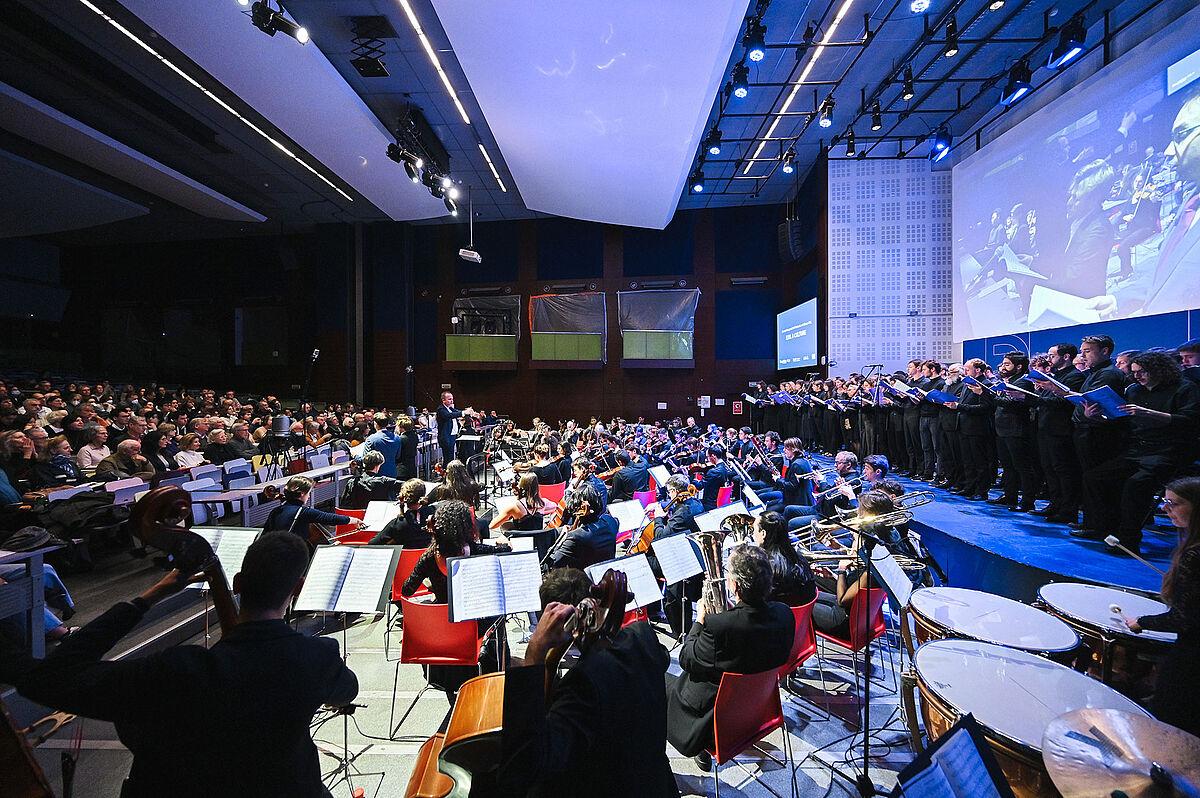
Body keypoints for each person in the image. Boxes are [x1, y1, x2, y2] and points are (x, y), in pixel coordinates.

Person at [0, 532, 359, 797]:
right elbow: (347, 691)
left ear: (237, 583)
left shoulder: (172, 669)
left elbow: (47, 678)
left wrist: (150, 597)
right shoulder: (317, 657)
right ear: (297, 587)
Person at [489, 568, 679, 797]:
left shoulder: (581, 685)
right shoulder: (642, 637)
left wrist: (535, 653)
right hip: (654, 782)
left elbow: (522, 767)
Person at [665, 544, 794, 771]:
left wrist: (700, 620)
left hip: (711, 721)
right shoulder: (785, 615)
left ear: (734, 585)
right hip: (760, 710)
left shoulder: (719, 627)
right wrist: (733, 612)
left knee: (653, 675)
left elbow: (686, 658)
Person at [1080, 351, 1199, 553]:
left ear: (1158, 370)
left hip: (1169, 451)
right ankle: (1102, 528)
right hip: (1137, 449)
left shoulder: (1185, 388)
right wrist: (1096, 417)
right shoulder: (1134, 390)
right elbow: (1121, 420)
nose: (1137, 376)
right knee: (1095, 477)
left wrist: (1149, 413)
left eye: (1141, 372)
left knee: (1136, 486)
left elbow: (1190, 421)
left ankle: (1129, 540)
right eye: (1134, 372)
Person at [1125, 477, 1200, 737]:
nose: (1164, 509)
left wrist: (1142, 622)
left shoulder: (1194, 555)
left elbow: (1183, 619)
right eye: (1165, 501)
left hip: (1191, 657)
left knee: (1173, 726)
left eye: (1174, 503)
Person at [262, 476, 363, 538]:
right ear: (302, 494)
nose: (309, 496)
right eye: (308, 493)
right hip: (292, 554)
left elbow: (265, 533)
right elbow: (329, 518)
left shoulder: (276, 511)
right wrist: (354, 520)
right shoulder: (303, 512)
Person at [545, 483, 617, 571]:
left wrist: (561, 541)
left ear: (577, 510)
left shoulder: (575, 537)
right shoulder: (611, 522)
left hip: (583, 581)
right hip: (605, 577)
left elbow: (552, 563)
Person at [753, 511, 816, 606]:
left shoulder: (763, 568)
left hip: (775, 617)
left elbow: (757, 602)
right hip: (801, 614)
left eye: (754, 530)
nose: (753, 535)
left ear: (763, 534)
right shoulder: (798, 557)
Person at [367, 479, 432, 548]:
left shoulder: (398, 524)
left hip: (404, 558)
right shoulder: (433, 514)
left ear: (404, 497)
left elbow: (372, 544)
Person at [340, 450, 404, 509]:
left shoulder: (352, 482)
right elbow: (407, 485)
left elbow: (344, 504)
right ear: (377, 466)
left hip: (358, 518)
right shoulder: (384, 482)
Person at [436, 391, 474, 465]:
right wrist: (464, 412)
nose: (452, 401)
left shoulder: (450, 408)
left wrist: (471, 414)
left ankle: (451, 473)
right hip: (446, 437)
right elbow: (449, 415)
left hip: (452, 436)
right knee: (447, 458)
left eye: (452, 399)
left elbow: (458, 412)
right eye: (449, 399)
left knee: (451, 457)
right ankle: (447, 473)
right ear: (443, 400)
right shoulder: (441, 409)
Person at [362, 413, 401, 478]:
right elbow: (398, 456)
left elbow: (366, 458)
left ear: (376, 424)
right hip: (392, 473)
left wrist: (355, 456)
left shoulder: (371, 439)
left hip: (376, 475)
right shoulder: (397, 438)